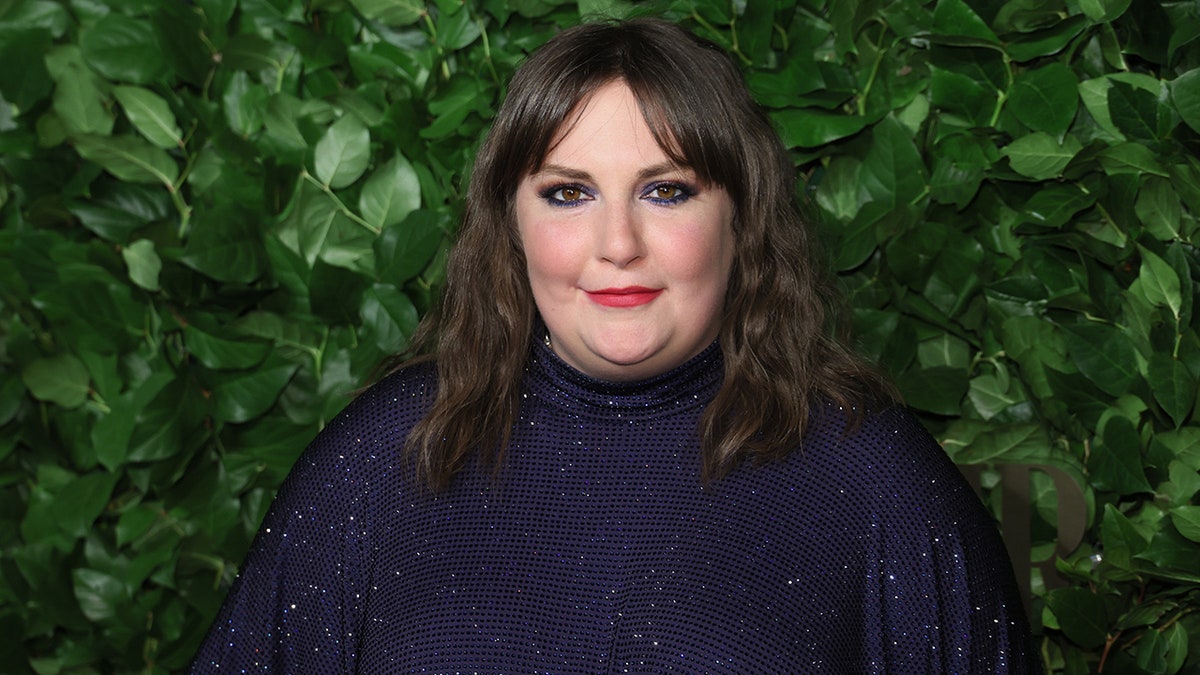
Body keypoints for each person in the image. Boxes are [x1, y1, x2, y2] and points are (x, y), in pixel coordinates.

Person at [190, 18, 1037, 673]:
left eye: (666, 191)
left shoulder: (874, 480)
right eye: (568, 193)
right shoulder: (386, 457)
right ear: (509, 225)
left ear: (740, 219)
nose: (618, 243)